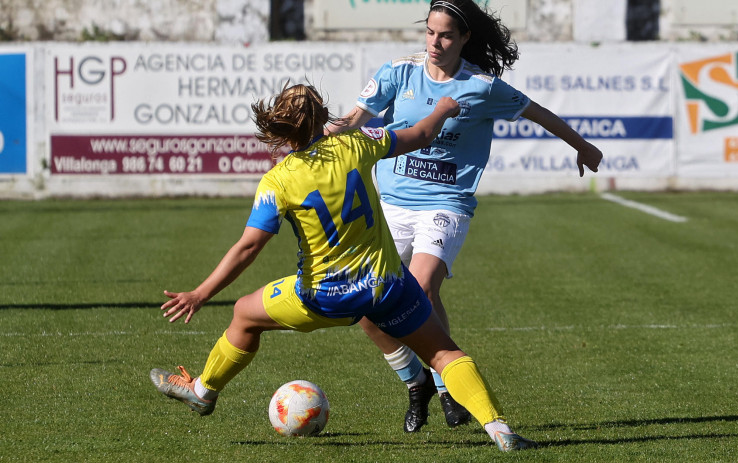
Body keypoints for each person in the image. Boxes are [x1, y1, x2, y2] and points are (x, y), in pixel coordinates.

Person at [149, 83, 538, 452]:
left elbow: (249, 246)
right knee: (443, 354)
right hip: (386, 287)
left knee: (244, 314)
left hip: (321, 298)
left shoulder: (277, 181)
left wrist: (200, 293)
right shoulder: (356, 143)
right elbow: (421, 136)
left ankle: (203, 392)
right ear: (322, 118)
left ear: (283, 127)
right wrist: (443, 109)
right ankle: (500, 429)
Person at [330, 0, 604, 433]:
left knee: (419, 289)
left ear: (464, 39)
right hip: (393, 205)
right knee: (365, 305)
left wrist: (582, 146)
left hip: (446, 203)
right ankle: (415, 381)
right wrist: (330, 129)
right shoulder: (397, 73)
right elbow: (354, 119)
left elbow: (538, 113)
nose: (435, 43)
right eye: (430, 33)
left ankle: (444, 383)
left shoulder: (481, 86)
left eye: (445, 35)